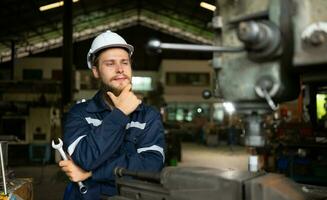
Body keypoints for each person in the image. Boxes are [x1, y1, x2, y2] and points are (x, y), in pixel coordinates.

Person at [58, 30, 166, 199]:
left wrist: (91, 173)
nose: (120, 69)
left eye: (125, 62)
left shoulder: (148, 116)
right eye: (110, 63)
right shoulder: (79, 113)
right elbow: (84, 159)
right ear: (95, 71)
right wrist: (120, 113)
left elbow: (151, 166)